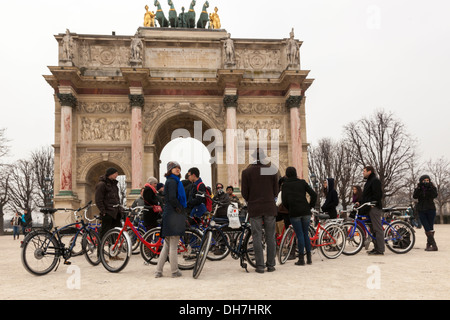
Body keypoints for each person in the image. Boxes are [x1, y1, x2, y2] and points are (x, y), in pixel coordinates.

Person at [241, 148, 278, 273]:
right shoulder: (272, 171)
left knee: (256, 236)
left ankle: (260, 266)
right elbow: (276, 190)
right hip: (269, 207)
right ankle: (271, 265)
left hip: (254, 207)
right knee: (271, 237)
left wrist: (251, 200)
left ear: (253, 158)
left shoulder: (246, 172)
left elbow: (244, 193)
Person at [155, 161, 187, 278]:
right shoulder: (173, 181)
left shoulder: (170, 181)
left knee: (167, 245)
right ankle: (174, 271)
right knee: (173, 244)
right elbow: (173, 198)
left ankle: (158, 270)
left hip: (169, 213)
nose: (177, 169)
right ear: (170, 170)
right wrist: (180, 208)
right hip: (174, 214)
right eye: (174, 168)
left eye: (179, 167)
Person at [282, 167, 317, 265]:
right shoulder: (302, 182)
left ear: (287, 175)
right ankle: (309, 258)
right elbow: (314, 194)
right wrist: (310, 206)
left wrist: (289, 208)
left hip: (294, 212)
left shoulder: (285, 185)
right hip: (305, 211)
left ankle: (301, 259)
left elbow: (284, 201)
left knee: (300, 234)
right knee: (305, 234)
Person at [357, 165, 384, 255]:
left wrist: (373, 203)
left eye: (364, 171)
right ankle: (376, 248)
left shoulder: (375, 181)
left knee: (377, 229)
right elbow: (366, 196)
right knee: (372, 229)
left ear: (369, 172)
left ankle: (380, 249)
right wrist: (360, 202)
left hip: (374, 207)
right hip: (368, 207)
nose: (363, 173)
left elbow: (378, 195)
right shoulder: (369, 181)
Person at [95, 167, 122, 240]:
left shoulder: (114, 184)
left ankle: (112, 249)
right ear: (111, 174)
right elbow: (98, 199)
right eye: (115, 173)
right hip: (108, 212)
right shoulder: (101, 184)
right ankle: (100, 250)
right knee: (104, 233)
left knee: (115, 233)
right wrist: (103, 211)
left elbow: (116, 198)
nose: (117, 175)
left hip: (115, 212)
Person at [413, 175, 438, 251]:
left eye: (427, 180)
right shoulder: (419, 188)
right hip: (421, 209)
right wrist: (419, 187)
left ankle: (429, 244)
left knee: (430, 227)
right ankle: (434, 245)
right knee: (426, 227)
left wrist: (430, 187)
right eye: (424, 180)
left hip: (431, 209)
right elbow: (415, 196)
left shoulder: (432, 188)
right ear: (421, 181)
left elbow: (435, 195)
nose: (426, 182)